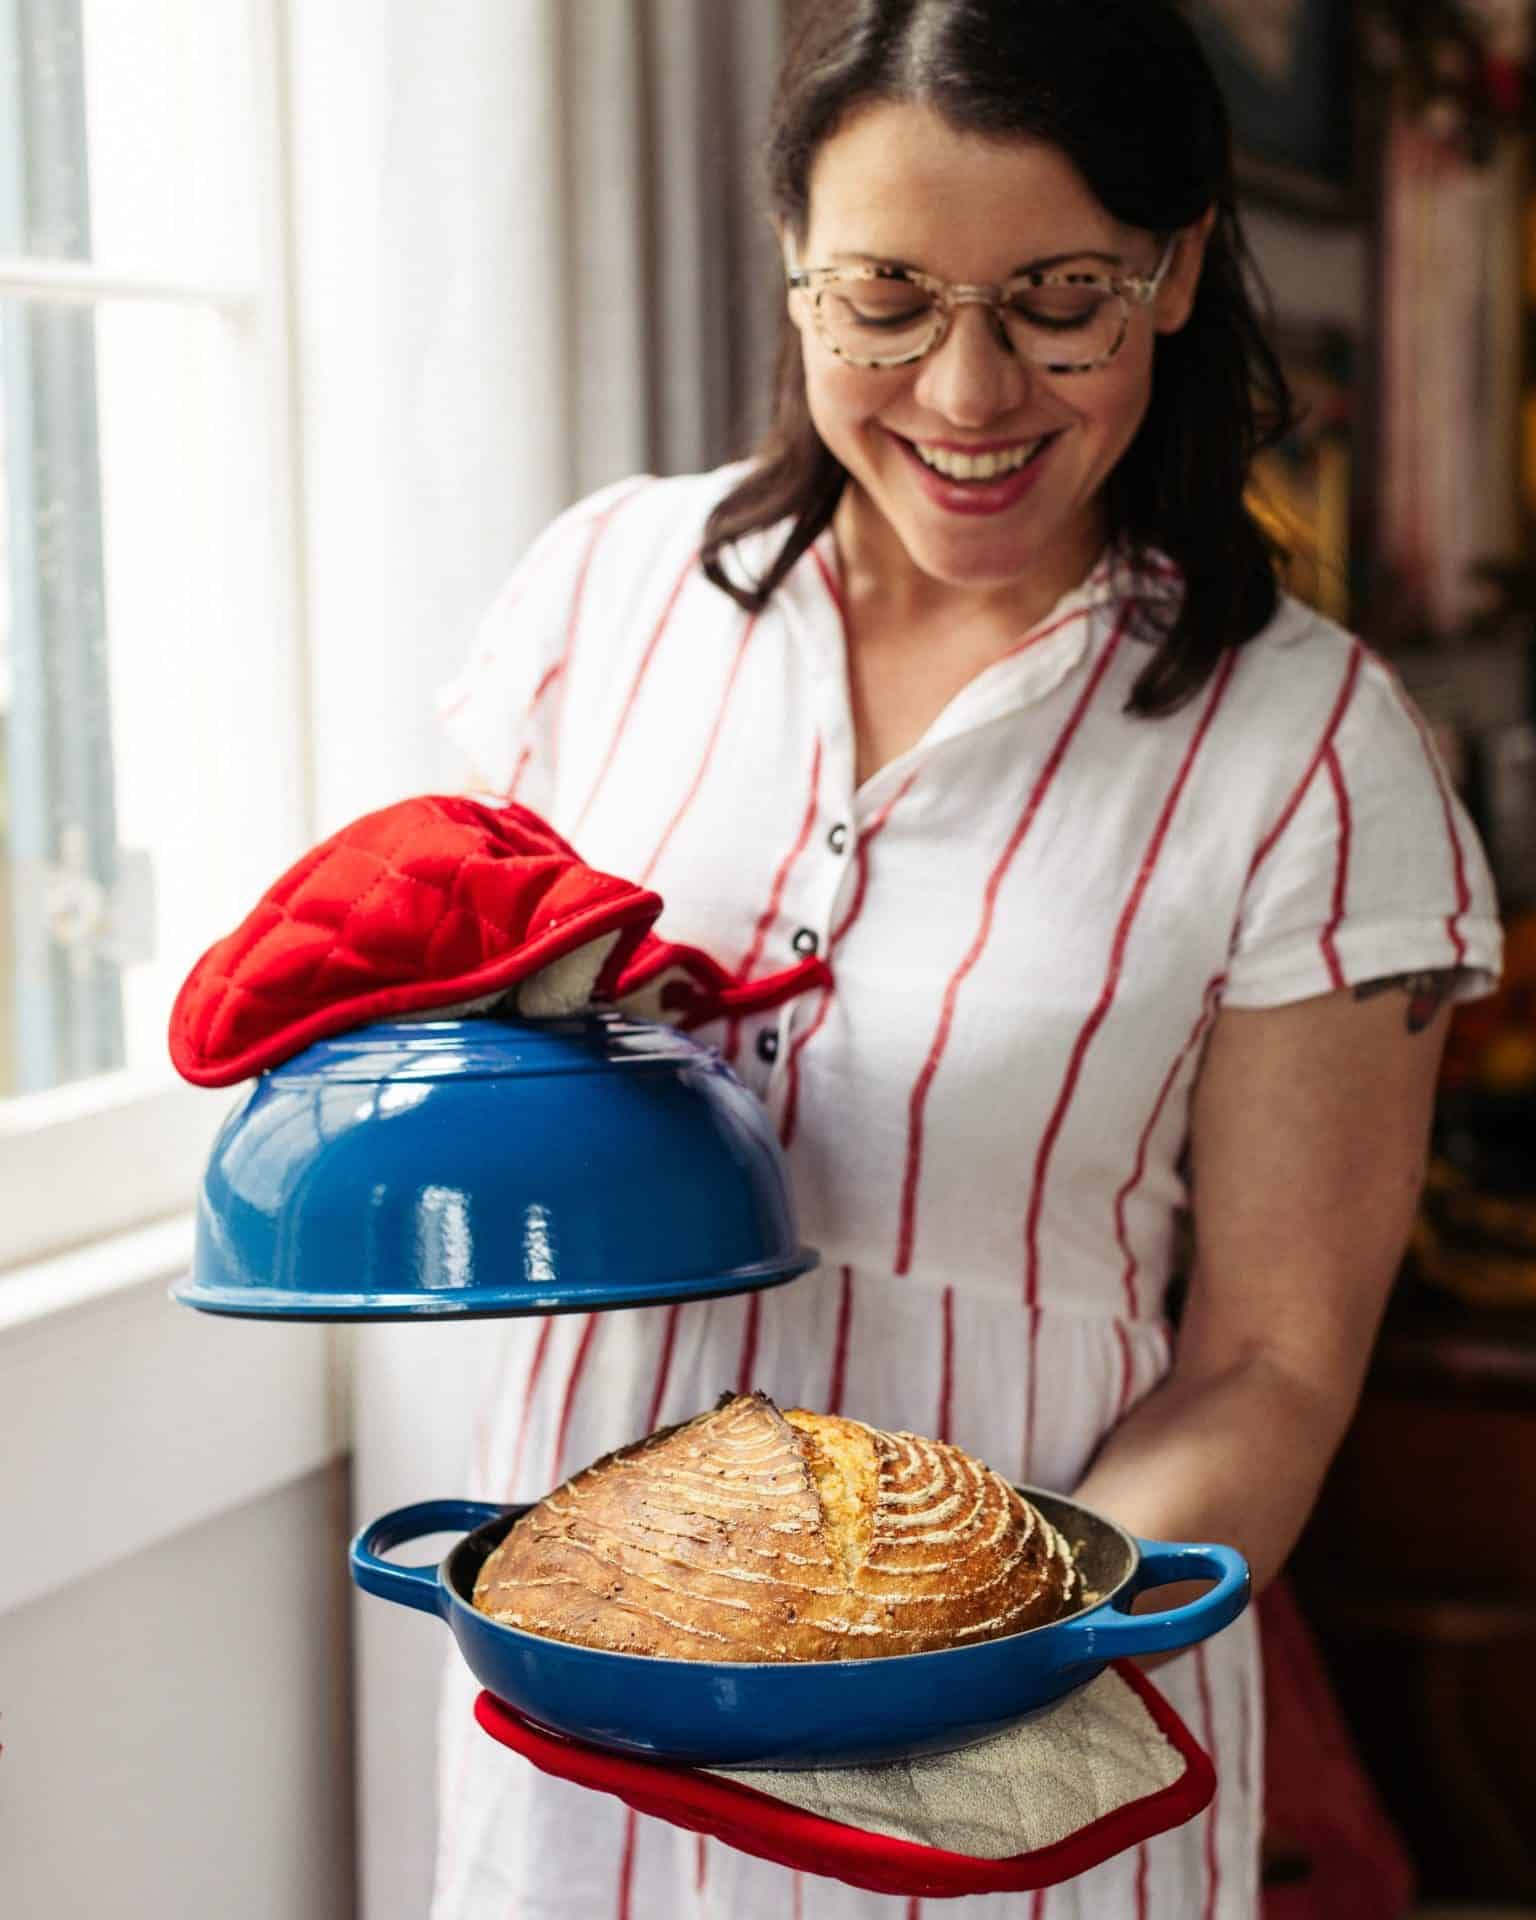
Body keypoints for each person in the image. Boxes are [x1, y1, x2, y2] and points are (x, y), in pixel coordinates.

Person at [430, 2, 1501, 1915]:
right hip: (590, 1717)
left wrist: (948, 1668)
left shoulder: (1308, 741)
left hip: (1026, 1754)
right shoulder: (604, 595)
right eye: (889, 297)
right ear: (794, 271)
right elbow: (449, 1080)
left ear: (1173, 276)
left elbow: (1270, 1364)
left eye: (1057, 295)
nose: (966, 385)